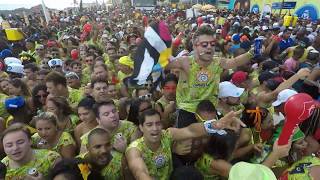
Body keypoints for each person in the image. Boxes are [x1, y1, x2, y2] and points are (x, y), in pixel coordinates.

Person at [166, 26, 257, 128]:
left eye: (212, 44)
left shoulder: (217, 62)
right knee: (187, 142)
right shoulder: (185, 61)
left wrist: (250, 53)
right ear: (195, 46)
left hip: (210, 110)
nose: (209, 47)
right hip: (188, 110)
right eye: (204, 45)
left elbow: (234, 62)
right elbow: (164, 65)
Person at [126, 108, 244, 180]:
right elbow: (140, 173)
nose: (155, 128)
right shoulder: (134, 149)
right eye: (149, 125)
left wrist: (215, 125)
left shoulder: (167, 134)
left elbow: (190, 130)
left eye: (158, 123)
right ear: (141, 127)